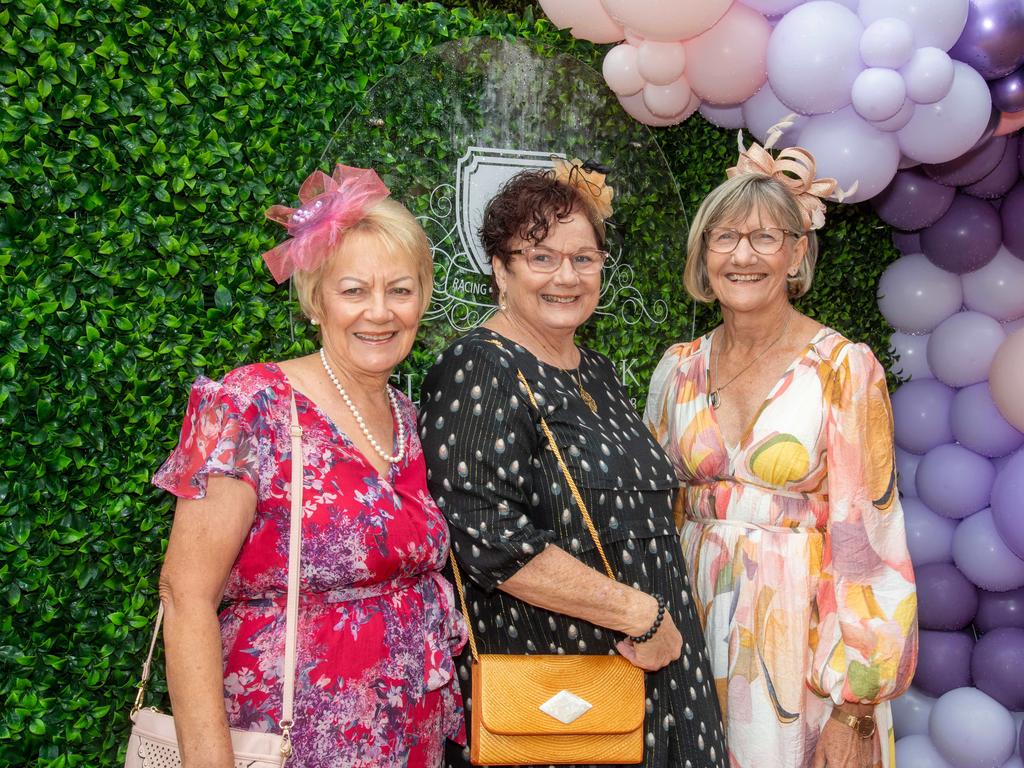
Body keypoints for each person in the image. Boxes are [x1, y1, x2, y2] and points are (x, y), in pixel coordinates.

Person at [153, 164, 466, 767]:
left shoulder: (411, 417)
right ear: (316, 299)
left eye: (400, 289)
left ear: (422, 298)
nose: (380, 311)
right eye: (354, 291)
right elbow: (185, 593)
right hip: (290, 742)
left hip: (413, 740)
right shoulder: (253, 404)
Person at [419, 159, 727, 768]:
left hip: (658, 670)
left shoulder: (599, 372)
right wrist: (639, 614)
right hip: (564, 688)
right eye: (541, 257)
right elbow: (488, 540)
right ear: (499, 270)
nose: (567, 275)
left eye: (584, 259)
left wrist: (658, 624)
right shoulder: (480, 366)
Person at [643, 131, 918, 768]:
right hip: (691, 635)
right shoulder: (677, 370)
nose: (744, 255)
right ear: (703, 255)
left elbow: (870, 543)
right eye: (726, 237)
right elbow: (659, 520)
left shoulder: (842, 370)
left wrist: (856, 703)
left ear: (796, 253)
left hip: (803, 647)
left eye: (765, 238)